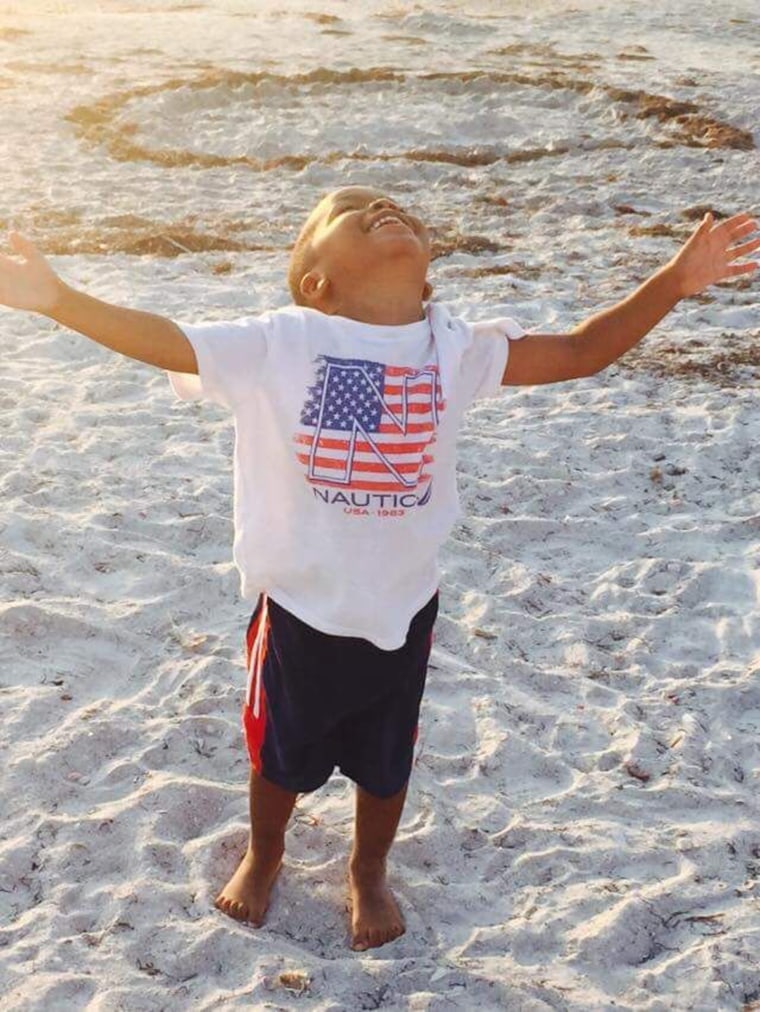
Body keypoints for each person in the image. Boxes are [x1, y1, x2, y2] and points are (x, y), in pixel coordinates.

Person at [0, 187, 756, 952]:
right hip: (302, 608)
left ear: (427, 280)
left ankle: (367, 868)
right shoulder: (282, 343)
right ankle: (266, 854)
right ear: (314, 282)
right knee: (278, 759)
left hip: (404, 607)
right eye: (348, 209)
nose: (380, 205)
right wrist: (58, 299)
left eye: (394, 204)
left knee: (387, 764)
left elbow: (581, 351)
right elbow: (167, 340)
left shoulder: (450, 346)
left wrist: (674, 280)